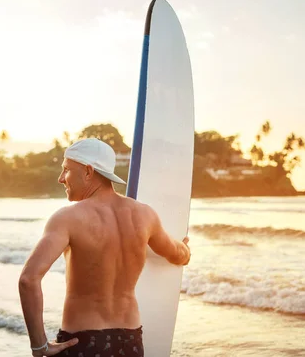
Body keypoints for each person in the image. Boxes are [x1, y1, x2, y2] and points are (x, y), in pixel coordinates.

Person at [18, 138, 191, 357]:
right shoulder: (145, 215)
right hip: (130, 341)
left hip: (83, 342)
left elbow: (28, 280)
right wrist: (185, 251)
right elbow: (177, 254)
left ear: (88, 172)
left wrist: (39, 345)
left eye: (66, 170)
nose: (61, 178)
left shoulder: (67, 218)